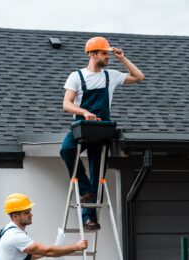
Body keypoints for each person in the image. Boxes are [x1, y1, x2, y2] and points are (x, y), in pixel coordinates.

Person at [60, 36, 145, 230]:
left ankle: (89, 218)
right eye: (104, 53)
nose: (107, 56)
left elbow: (139, 77)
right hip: (81, 127)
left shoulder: (111, 75)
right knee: (66, 150)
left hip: (102, 130)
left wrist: (122, 58)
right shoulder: (76, 76)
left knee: (97, 173)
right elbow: (66, 104)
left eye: (108, 53)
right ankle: (85, 189)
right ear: (92, 54)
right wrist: (85, 112)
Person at [0, 193, 88, 260]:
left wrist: (55, 248)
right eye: (27, 213)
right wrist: (76, 247)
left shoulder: (9, 229)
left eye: (30, 211)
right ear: (15, 217)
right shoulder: (15, 236)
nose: (31, 215)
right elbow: (47, 251)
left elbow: (31, 255)